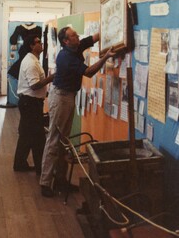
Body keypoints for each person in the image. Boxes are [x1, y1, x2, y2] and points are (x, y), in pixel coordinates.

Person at [40, 26, 116, 197]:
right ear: (66, 41)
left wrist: (115, 27)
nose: (78, 36)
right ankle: (45, 183)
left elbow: (93, 38)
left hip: (67, 96)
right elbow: (89, 72)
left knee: (63, 141)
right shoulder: (66, 56)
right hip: (61, 98)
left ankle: (60, 181)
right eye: (74, 35)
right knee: (54, 140)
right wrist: (105, 58)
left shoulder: (75, 46)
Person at [13, 34, 54, 174]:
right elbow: (34, 85)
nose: (41, 44)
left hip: (30, 102)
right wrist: (51, 78)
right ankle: (40, 168)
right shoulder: (31, 63)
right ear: (31, 45)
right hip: (30, 103)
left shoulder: (33, 60)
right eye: (38, 42)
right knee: (37, 137)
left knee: (26, 135)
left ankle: (20, 164)